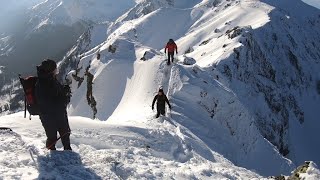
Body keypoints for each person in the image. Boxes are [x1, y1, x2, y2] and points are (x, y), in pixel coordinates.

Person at [35, 59, 72, 150]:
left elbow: (54, 94)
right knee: (63, 134)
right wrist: (65, 97)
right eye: (55, 69)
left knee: (53, 136)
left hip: (48, 115)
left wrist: (63, 90)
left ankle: (53, 153)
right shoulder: (47, 82)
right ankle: (63, 152)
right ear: (50, 70)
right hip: (53, 114)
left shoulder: (46, 79)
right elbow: (55, 99)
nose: (56, 71)